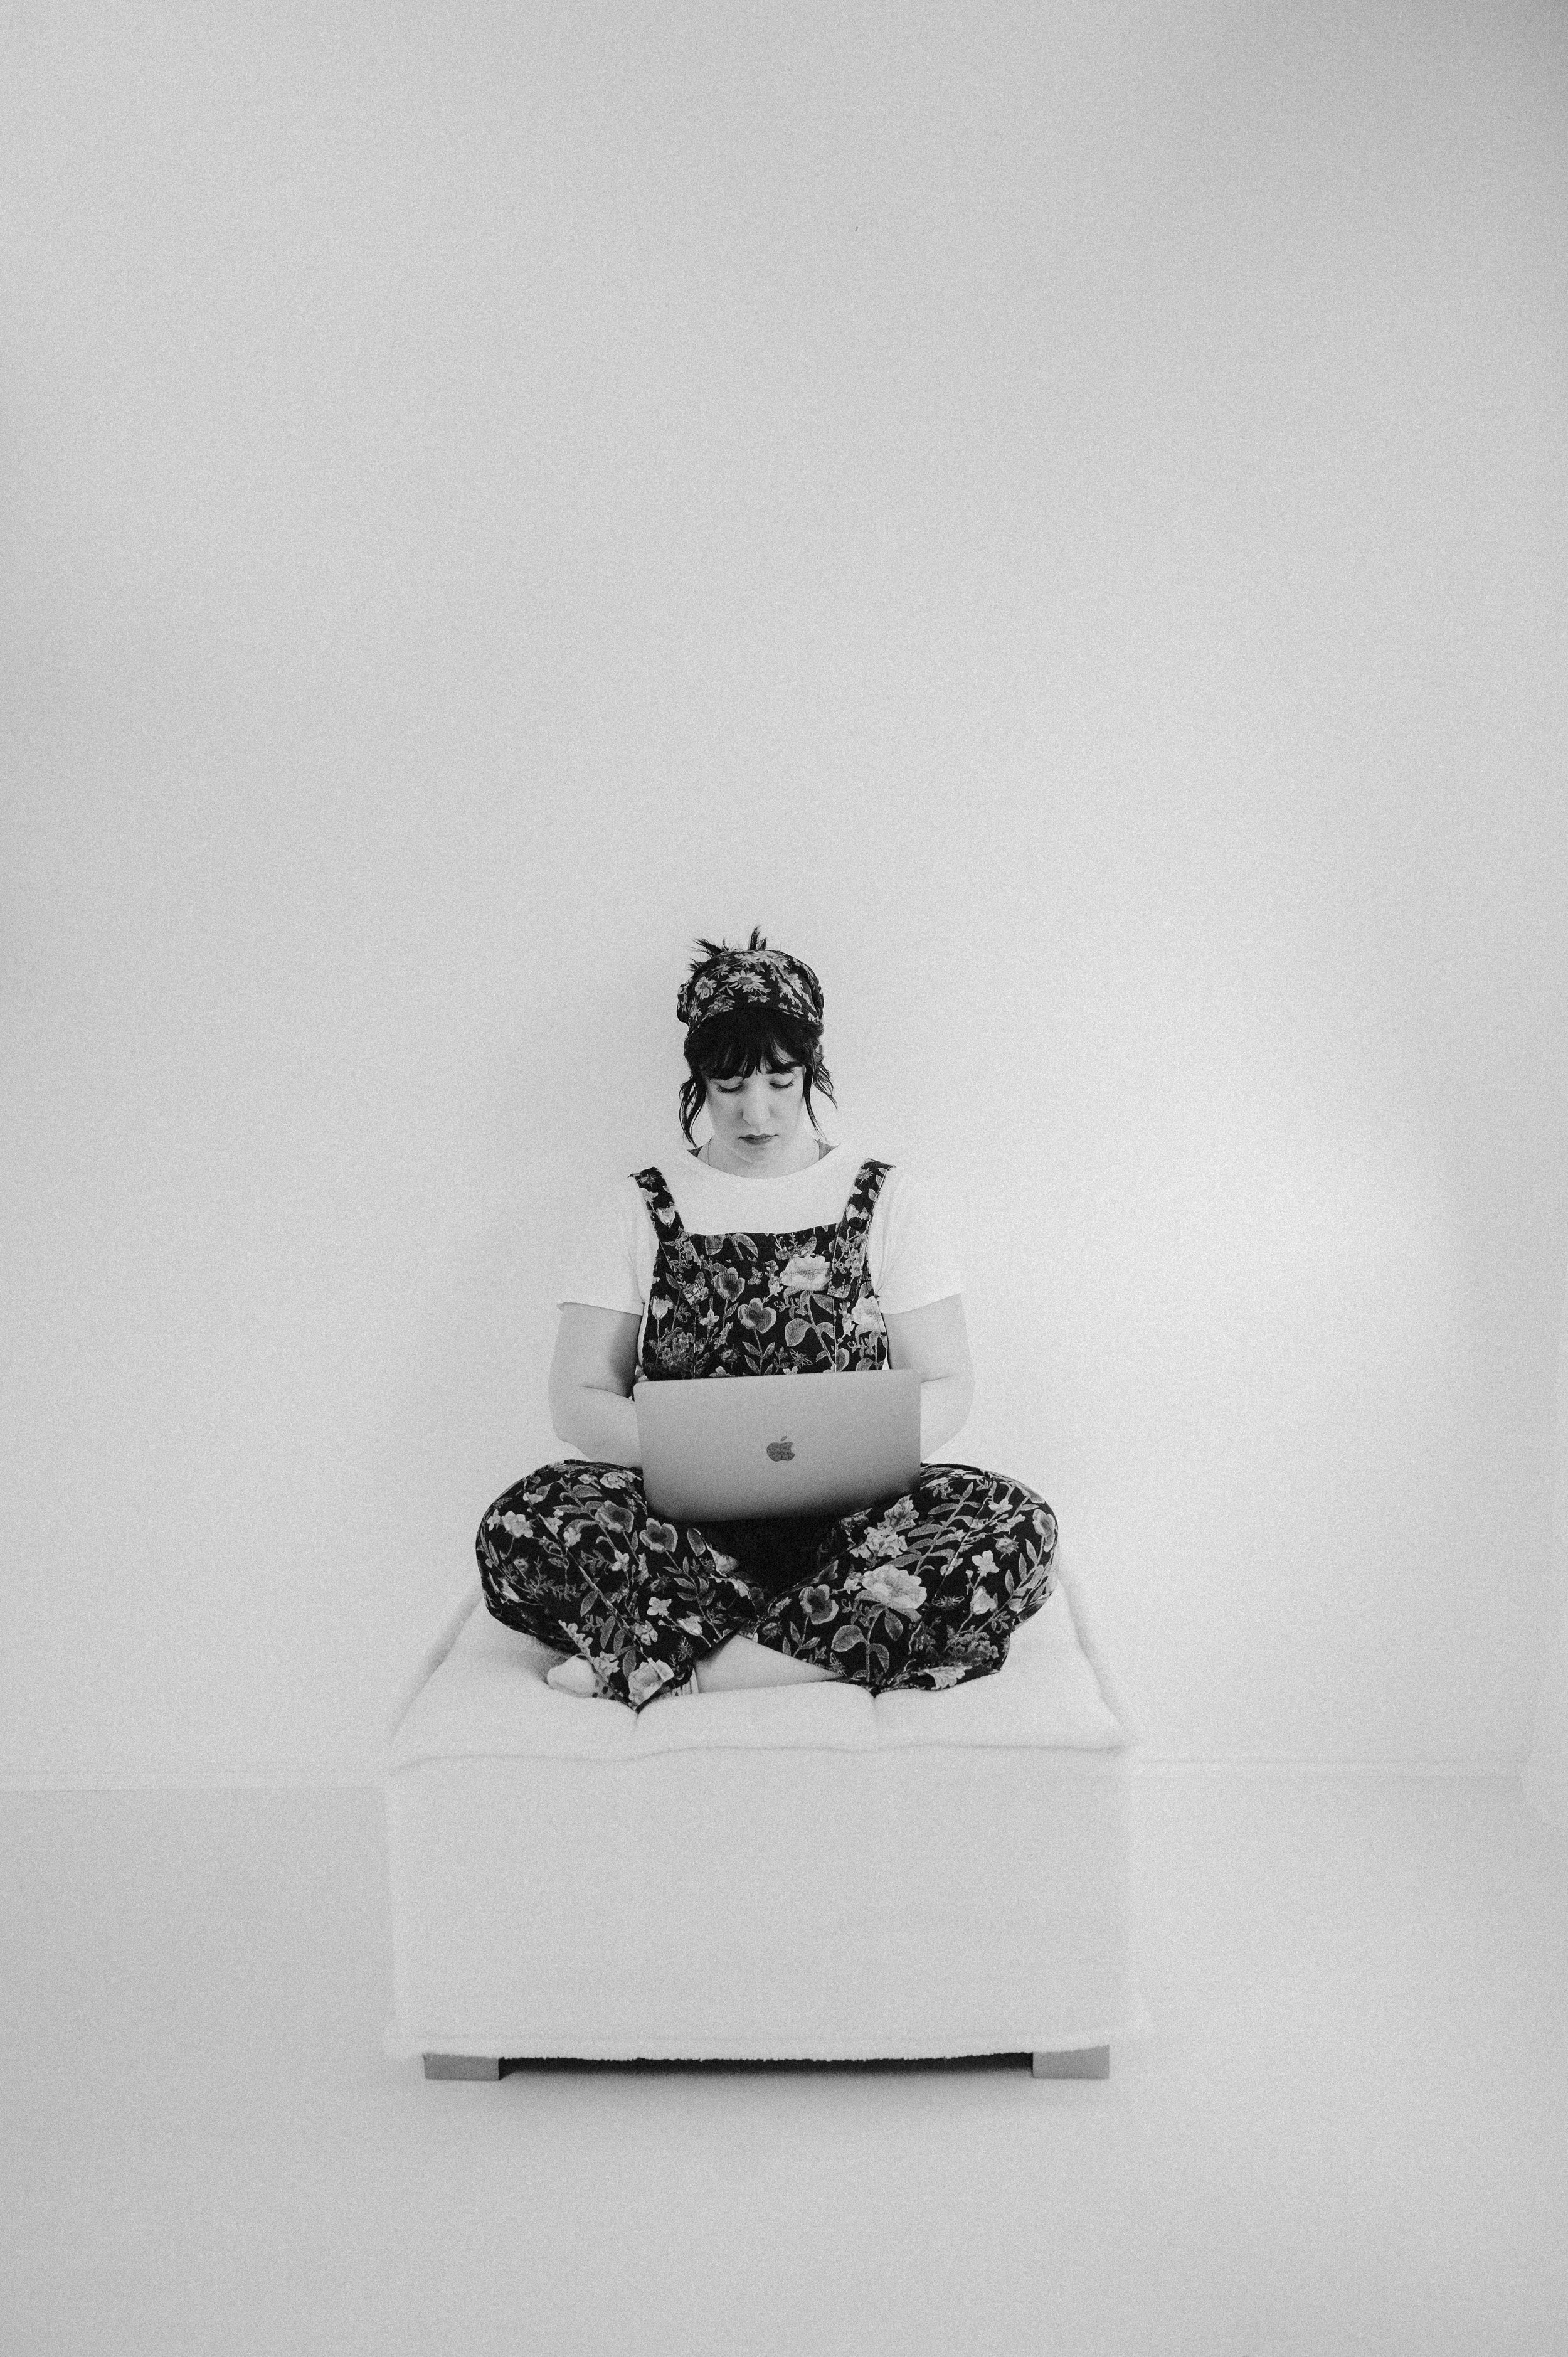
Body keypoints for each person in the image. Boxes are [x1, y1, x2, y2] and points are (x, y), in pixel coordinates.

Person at [476, 928, 1059, 1711]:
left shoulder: (884, 1195)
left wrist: (855, 1448)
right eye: (729, 1087)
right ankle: (813, 1641)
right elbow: (577, 1397)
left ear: (810, 1070)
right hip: (685, 1539)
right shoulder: (641, 1203)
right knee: (527, 1518)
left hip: (859, 1534)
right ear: (697, 1081)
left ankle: (686, 1665)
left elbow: (950, 1381)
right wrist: (698, 1455)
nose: (757, 1113)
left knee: (1011, 1521)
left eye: (782, 1082)